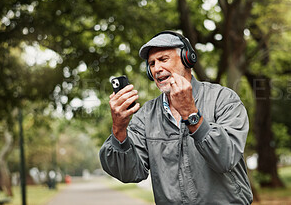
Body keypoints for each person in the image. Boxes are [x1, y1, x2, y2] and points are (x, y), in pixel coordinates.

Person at [99, 31, 253, 204]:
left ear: (187, 59)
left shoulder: (223, 99)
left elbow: (226, 158)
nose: (156, 68)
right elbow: (129, 172)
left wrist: (191, 113)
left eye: (163, 59)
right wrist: (119, 129)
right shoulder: (145, 115)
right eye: (151, 63)